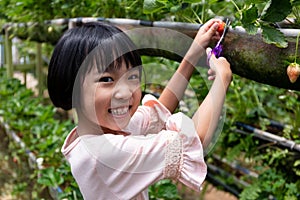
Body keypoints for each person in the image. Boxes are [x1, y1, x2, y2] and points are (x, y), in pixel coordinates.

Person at [47, 19, 232, 200]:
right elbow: (194, 141)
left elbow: (158, 112)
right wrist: (222, 78)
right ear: (72, 87)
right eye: (107, 79)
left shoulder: (99, 132)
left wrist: (194, 51)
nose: (125, 92)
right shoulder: (103, 155)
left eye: (132, 76)